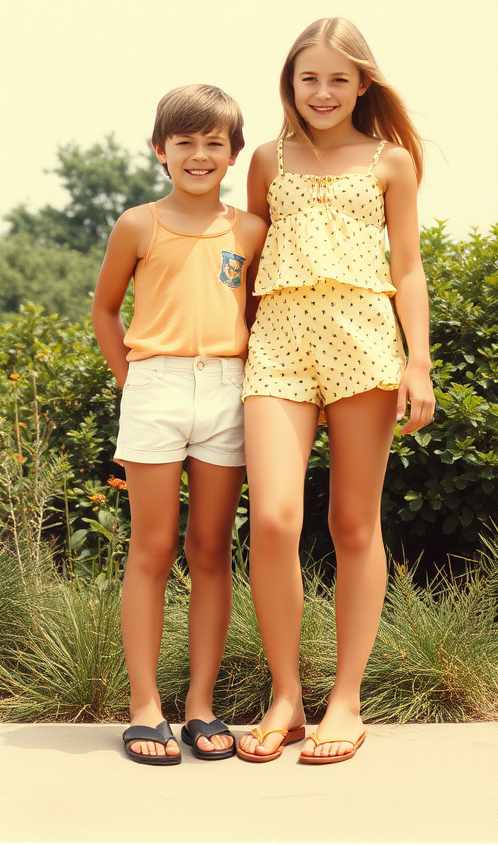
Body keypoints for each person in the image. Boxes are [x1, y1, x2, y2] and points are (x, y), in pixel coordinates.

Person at [237, 18, 436, 764]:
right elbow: (245, 261)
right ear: (290, 83)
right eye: (308, 78)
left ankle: (344, 700)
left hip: (364, 345)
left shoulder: (390, 161)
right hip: (279, 347)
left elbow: (409, 267)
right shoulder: (266, 160)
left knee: (355, 525)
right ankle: (286, 695)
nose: (323, 92)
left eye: (339, 79)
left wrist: (417, 363)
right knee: (277, 521)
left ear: (363, 85)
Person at [92, 84, 267, 765]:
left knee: (211, 550)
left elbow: (256, 318)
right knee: (152, 547)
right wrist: (135, 382)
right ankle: (145, 706)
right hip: (156, 385)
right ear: (160, 150)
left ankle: (199, 706)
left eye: (213, 143)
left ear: (233, 153)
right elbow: (106, 310)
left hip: (228, 391)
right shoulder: (138, 224)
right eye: (185, 142)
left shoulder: (249, 230)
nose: (199, 154)